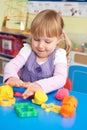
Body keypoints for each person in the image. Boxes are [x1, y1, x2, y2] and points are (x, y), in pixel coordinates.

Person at [3, 9, 72, 99]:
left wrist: (39, 85)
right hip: (24, 97)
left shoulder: (59, 54)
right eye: (36, 39)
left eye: (47, 41)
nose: (40, 46)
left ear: (58, 39)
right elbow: (11, 65)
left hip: (47, 99)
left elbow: (60, 78)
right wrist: (12, 77)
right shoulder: (27, 49)